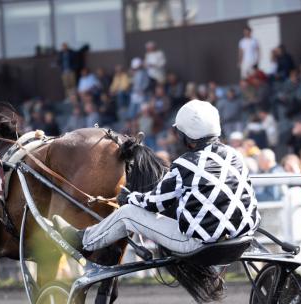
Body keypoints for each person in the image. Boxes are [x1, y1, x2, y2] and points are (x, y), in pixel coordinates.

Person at [53, 100, 260, 256]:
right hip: (242, 238)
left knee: (127, 214)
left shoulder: (186, 163)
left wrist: (128, 197)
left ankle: (83, 241)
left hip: (200, 245)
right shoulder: (235, 155)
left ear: (187, 137)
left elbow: (155, 203)